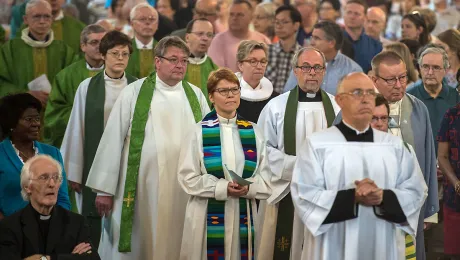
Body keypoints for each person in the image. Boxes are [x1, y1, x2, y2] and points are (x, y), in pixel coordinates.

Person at [84, 36, 210, 259]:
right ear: (157, 61)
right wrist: (104, 190)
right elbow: (112, 139)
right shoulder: (134, 92)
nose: (180, 65)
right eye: (173, 59)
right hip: (142, 189)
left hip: (185, 187)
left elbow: (208, 139)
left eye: (184, 60)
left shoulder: (195, 95)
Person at [291, 72, 427, 260]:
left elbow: (416, 192)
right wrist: (351, 197)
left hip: (382, 244)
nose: (365, 99)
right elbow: (304, 196)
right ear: (340, 100)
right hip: (333, 245)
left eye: (370, 93)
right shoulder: (317, 145)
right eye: (357, 93)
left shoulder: (396, 148)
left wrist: (383, 197)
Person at [178, 68, 271, 259]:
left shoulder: (254, 131)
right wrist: (222, 187)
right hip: (206, 215)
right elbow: (187, 177)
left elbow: (268, 178)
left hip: (243, 213)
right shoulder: (198, 132)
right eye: (223, 91)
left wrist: (249, 188)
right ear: (211, 96)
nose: (231, 95)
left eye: (235, 90)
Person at [256, 47, 340, 260]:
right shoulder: (276, 107)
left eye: (317, 68)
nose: (312, 72)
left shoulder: (338, 107)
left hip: (325, 193)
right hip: (287, 191)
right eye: (306, 67)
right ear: (295, 70)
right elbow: (263, 151)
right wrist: (302, 167)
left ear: (324, 71)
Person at [61, 30, 137, 250]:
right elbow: (77, 128)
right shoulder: (87, 88)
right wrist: (75, 171)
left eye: (125, 54)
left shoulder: (137, 87)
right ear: (103, 55)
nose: (120, 58)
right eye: (115, 53)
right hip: (94, 164)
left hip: (126, 163)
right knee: (94, 221)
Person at [369, 51, 438, 260]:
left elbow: (427, 159)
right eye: (390, 80)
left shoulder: (418, 109)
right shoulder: (356, 109)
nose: (399, 85)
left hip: (408, 208)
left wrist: (429, 209)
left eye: (402, 77)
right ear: (374, 80)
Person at [0, 155, 100, 260]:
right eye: (44, 177)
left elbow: (92, 258)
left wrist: (47, 259)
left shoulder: (76, 222)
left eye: (56, 178)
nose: (52, 184)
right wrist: (72, 257)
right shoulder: (9, 226)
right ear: (27, 187)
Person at [0, 93, 70, 219]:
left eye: (37, 119)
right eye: (29, 119)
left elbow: (63, 199)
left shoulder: (53, 153)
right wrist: (9, 230)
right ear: (11, 123)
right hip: (8, 232)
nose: (36, 124)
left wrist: (55, 227)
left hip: (49, 231)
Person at [0, 0, 76, 104]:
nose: (42, 21)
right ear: (26, 19)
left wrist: (56, 95)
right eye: (36, 16)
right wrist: (25, 94)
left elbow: (72, 81)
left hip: (53, 112)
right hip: (20, 111)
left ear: (52, 19)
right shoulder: (9, 49)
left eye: (47, 16)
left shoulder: (64, 50)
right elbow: (2, 82)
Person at [43, 24, 107, 148]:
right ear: (83, 46)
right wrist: (85, 117)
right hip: (77, 139)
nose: (100, 46)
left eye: (103, 42)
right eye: (94, 42)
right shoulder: (65, 76)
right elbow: (55, 112)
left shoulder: (117, 73)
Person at [284, 21, 362, 95]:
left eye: (317, 38)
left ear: (331, 43)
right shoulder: (301, 63)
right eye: (312, 37)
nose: (311, 42)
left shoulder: (352, 70)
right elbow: (287, 95)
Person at [407, 46, 460, 154]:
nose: (430, 72)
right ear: (419, 69)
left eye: (436, 67)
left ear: (445, 70)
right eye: (425, 67)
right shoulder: (408, 97)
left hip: (449, 163)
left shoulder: (456, 97)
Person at [208, 0, 270, 72]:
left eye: (240, 15)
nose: (234, 18)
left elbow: (269, 71)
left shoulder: (263, 40)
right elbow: (217, 75)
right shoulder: (217, 41)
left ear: (251, 17)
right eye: (231, 14)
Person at [234, 40, 277, 123]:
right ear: (240, 65)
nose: (259, 66)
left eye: (263, 61)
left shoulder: (275, 99)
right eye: (253, 61)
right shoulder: (229, 97)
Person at [437, 103, 460, 259]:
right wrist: (456, 183)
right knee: (455, 251)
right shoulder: (451, 115)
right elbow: (442, 156)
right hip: (454, 195)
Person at [265, 5, 301, 94]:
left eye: (284, 22)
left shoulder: (302, 55)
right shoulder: (267, 51)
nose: (279, 26)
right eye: (276, 22)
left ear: (296, 25)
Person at [184, 18, 219, 107]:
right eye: (200, 34)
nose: (205, 38)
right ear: (187, 37)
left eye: (209, 35)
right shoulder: (174, 65)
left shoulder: (215, 70)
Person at [343, 0, 382, 73]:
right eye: (349, 12)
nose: (352, 17)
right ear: (343, 15)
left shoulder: (376, 46)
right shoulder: (334, 42)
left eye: (357, 14)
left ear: (365, 18)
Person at [125, 3, 159, 79]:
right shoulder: (124, 49)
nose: (147, 23)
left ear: (157, 24)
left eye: (152, 19)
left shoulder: (163, 49)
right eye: (142, 19)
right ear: (132, 23)